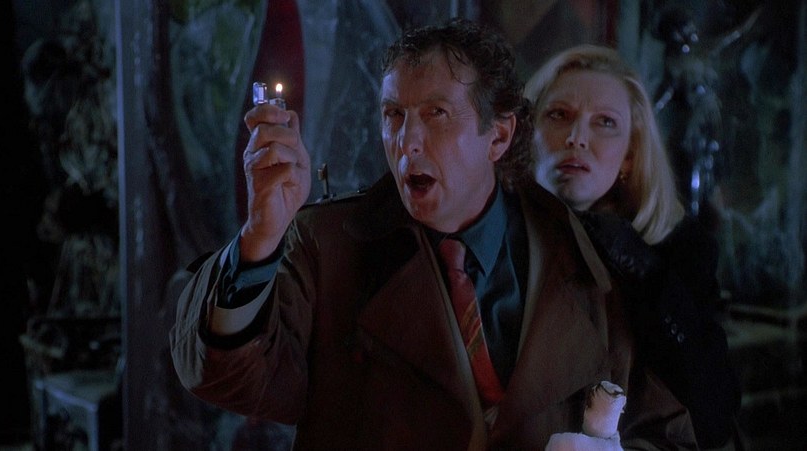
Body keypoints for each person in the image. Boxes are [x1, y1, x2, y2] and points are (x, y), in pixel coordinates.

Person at [171, 19, 698, 450]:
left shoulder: (588, 260)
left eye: (436, 114)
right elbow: (229, 377)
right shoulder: (328, 248)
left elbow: (667, 433)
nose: (408, 141)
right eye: (393, 115)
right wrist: (260, 238)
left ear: (498, 135)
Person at [524, 44, 741, 449]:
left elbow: (712, 413)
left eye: (605, 122)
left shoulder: (676, 249)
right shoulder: (499, 232)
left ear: (629, 156)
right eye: (558, 115)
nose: (576, 138)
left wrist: (642, 269)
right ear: (526, 133)